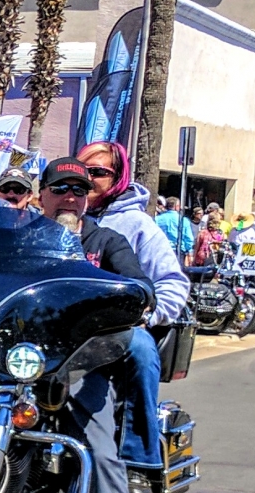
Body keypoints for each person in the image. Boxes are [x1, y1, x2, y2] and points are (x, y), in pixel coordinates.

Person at [38, 156, 152, 493]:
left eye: (79, 190)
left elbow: (139, 285)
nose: (70, 197)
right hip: (13, 364)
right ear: (41, 194)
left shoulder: (105, 241)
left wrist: (125, 297)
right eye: (60, 188)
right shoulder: (18, 240)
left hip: (80, 366)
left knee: (100, 453)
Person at [77, 139, 190, 472]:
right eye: (82, 170)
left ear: (117, 178)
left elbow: (173, 282)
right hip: (59, 328)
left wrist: (145, 316)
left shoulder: (137, 225)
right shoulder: (57, 215)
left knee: (140, 351)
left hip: (115, 329)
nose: (88, 178)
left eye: (98, 172)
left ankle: (139, 461)